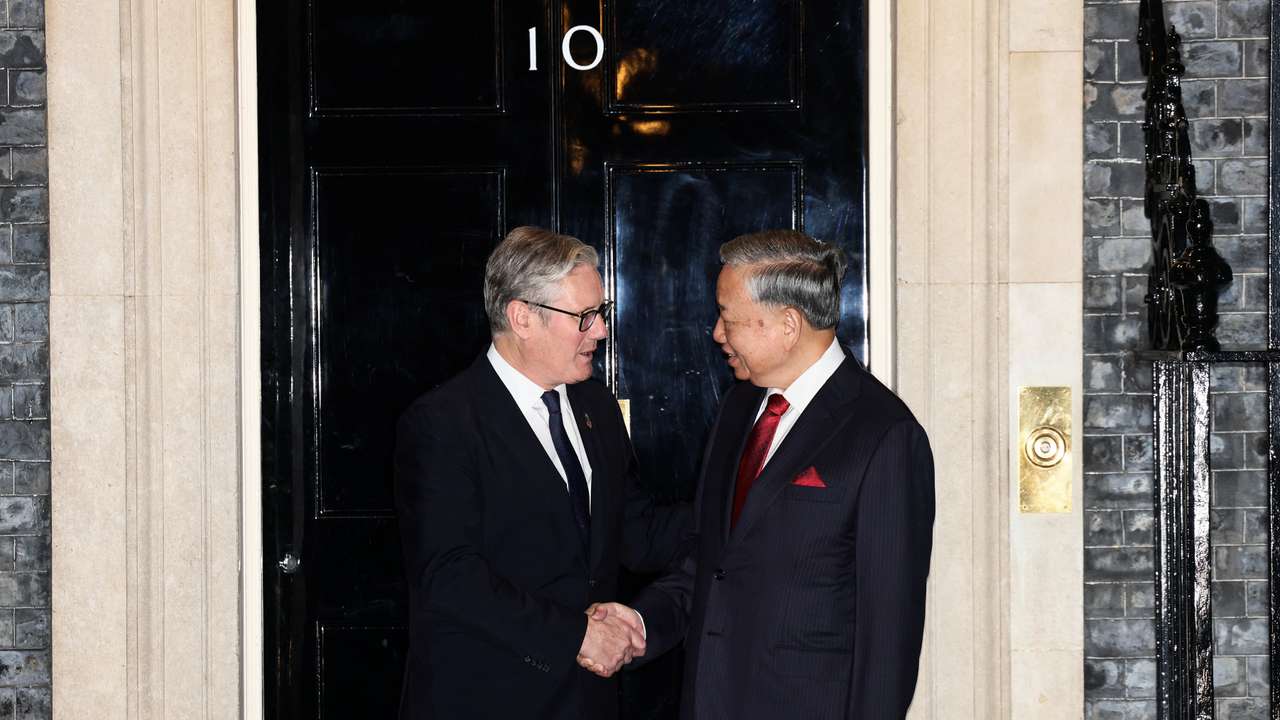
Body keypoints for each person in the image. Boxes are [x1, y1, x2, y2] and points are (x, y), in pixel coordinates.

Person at [591, 229, 935, 719]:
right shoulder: (739, 406)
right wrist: (642, 623)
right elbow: (710, 562)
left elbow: (888, 643)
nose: (717, 333)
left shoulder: (883, 435)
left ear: (788, 324)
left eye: (727, 317)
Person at [394, 226, 688, 720]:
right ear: (522, 317)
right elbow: (450, 576)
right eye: (585, 316)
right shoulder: (443, 423)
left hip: (587, 701)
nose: (601, 331)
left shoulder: (596, 404)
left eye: (601, 312)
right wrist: (578, 635)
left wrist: (737, 512)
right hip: (486, 699)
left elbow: (635, 531)